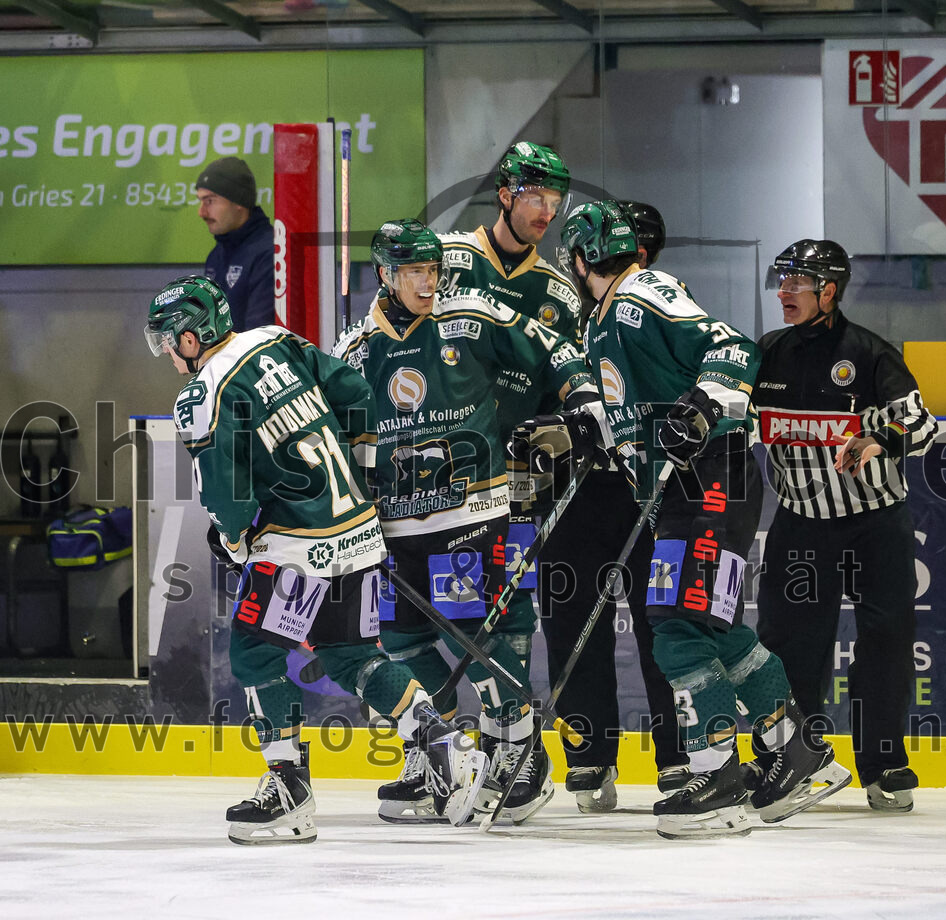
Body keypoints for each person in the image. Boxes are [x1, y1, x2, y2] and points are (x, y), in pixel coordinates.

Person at [145, 275, 488, 844]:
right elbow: (354, 390)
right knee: (351, 656)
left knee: (255, 653)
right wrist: (362, 469)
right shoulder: (275, 339)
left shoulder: (203, 393)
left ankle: (288, 790)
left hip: (297, 548)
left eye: (168, 343)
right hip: (356, 532)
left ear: (189, 338)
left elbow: (226, 495)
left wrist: (233, 543)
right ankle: (443, 747)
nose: (169, 358)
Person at [559, 200, 852, 839]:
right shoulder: (605, 318)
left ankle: (717, 769)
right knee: (707, 627)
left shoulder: (641, 293)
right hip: (679, 488)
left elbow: (732, 348)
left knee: (675, 627)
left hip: (711, 479)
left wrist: (697, 408)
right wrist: (578, 432)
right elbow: (632, 414)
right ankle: (796, 749)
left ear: (581, 259)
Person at [332, 218, 611, 824]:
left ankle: (516, 752)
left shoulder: (472, 314)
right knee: (401, 640)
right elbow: (332, 430)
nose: (427, 283)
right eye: (413, 272)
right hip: (394, 523)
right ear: (383, 274)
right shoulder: (354, 348)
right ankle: (443, 751)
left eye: (432, 270)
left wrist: (585, 402)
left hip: (471, 509)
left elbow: (556, 349)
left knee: (476, 633)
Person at [439, 146, 687, 813]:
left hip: (623, 479)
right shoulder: (453, 258)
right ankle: (585, 758)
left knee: (660, 620)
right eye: (535, 199)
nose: (545, 214)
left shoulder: (574, 296)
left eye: (555, 203)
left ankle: (678, 757)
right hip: (529, 480)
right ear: (505, 194)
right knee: (563, 615)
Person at [752, 239, 938, 812]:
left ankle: (883, 764)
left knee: (885, 641)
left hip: (873, 523)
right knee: (788, 646)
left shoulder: (871, 354)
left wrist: (881, 438)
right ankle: (793, 757)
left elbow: (924, 426)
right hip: (801, 523)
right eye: (780, 281)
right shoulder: (767, 353)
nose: (783, 292)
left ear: (828, 290)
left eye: (795, 282)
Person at [196, 157, 275, 331]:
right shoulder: (216, 256)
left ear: (239, 201)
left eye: (210, 201)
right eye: (200, 201)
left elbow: (260, 339)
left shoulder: (270, 253)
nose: (201, 212)